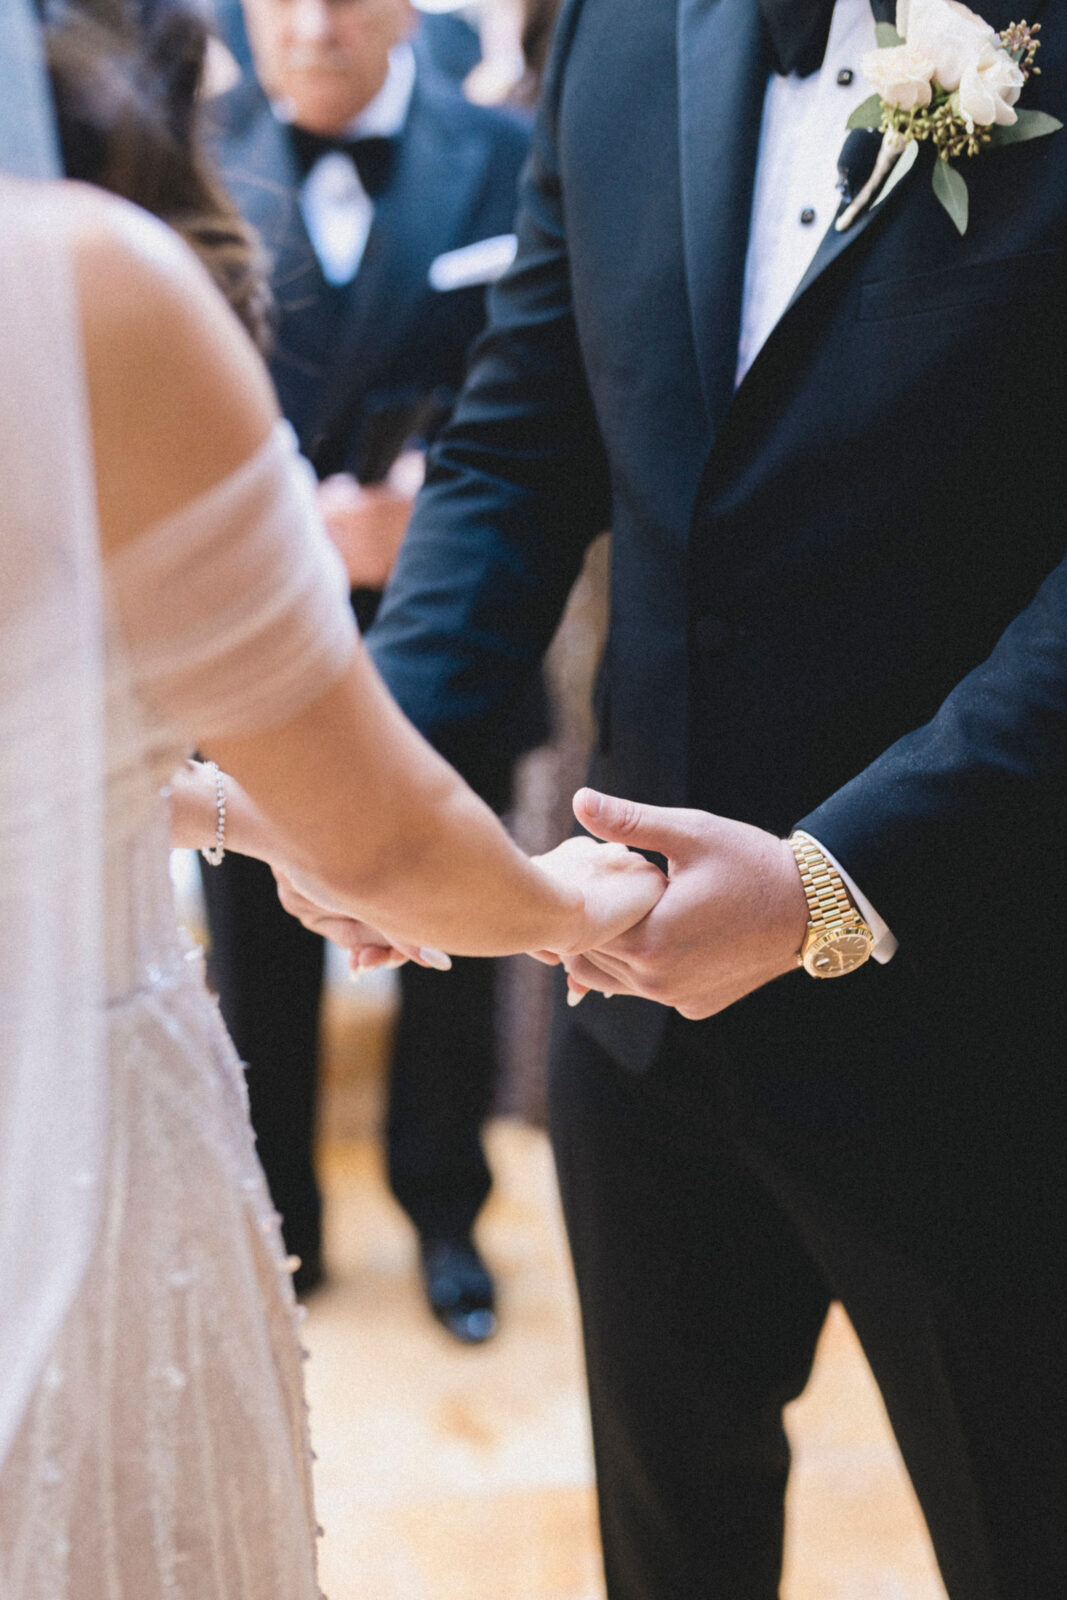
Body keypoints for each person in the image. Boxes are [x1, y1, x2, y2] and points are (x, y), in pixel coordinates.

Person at [363, 0, 1067, 1594]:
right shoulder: (618, 30)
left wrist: (843, 877)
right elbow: (517, 441)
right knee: (673, 1546)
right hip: (640, 1009)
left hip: (998, 1018)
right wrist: (384, 785)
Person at [0, 2, 664, 1593]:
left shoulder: (497, 155)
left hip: (319, 706)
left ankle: (441, 1214)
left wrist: (231, 805)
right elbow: (376, 837)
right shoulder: (85, 273)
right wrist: (571, 904)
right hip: (69, 1115)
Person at [199, 0, 536, 1333]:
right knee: (257, 934)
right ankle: (288, 1222)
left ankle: (447, 1211)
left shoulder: (506, 156)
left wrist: (434, 507)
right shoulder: (184, 157)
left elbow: (548, 384)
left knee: (460, 924)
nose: (312, 21)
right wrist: (301, 525)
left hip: (459, 624)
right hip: (253, 642)